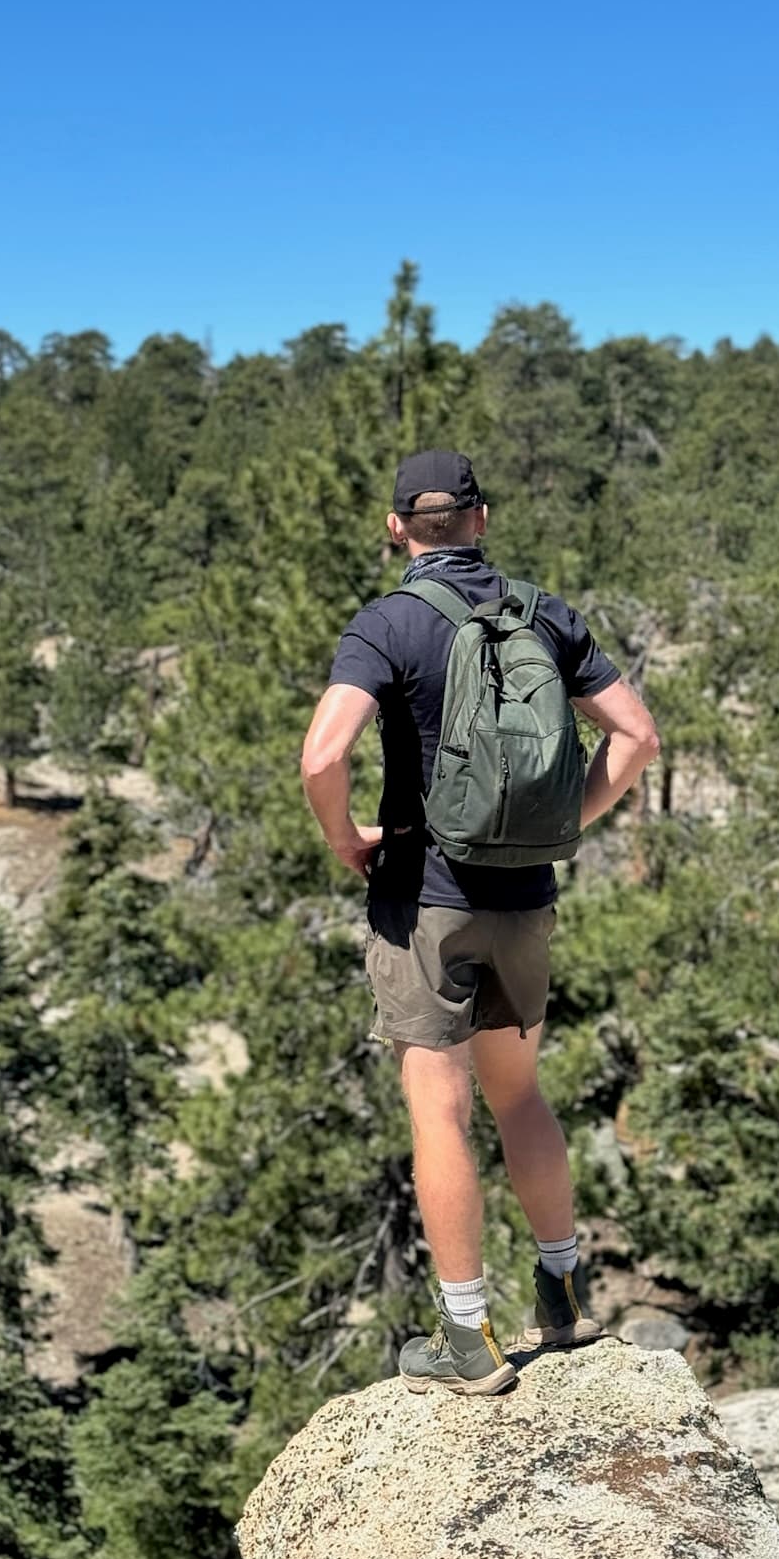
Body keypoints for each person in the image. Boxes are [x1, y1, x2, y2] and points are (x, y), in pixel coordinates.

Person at [301, 449, 660, 1394]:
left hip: (424, 897)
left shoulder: (386, 625)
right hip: (523, 896)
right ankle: (564, 1294)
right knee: (520, 1096)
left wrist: (347, 840)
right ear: (480, 519)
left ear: (396, 530)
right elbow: (638, 738)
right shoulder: (544, 612)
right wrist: (561, 825)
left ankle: (468, 1339)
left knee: (439, 1114)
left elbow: (321, 754)